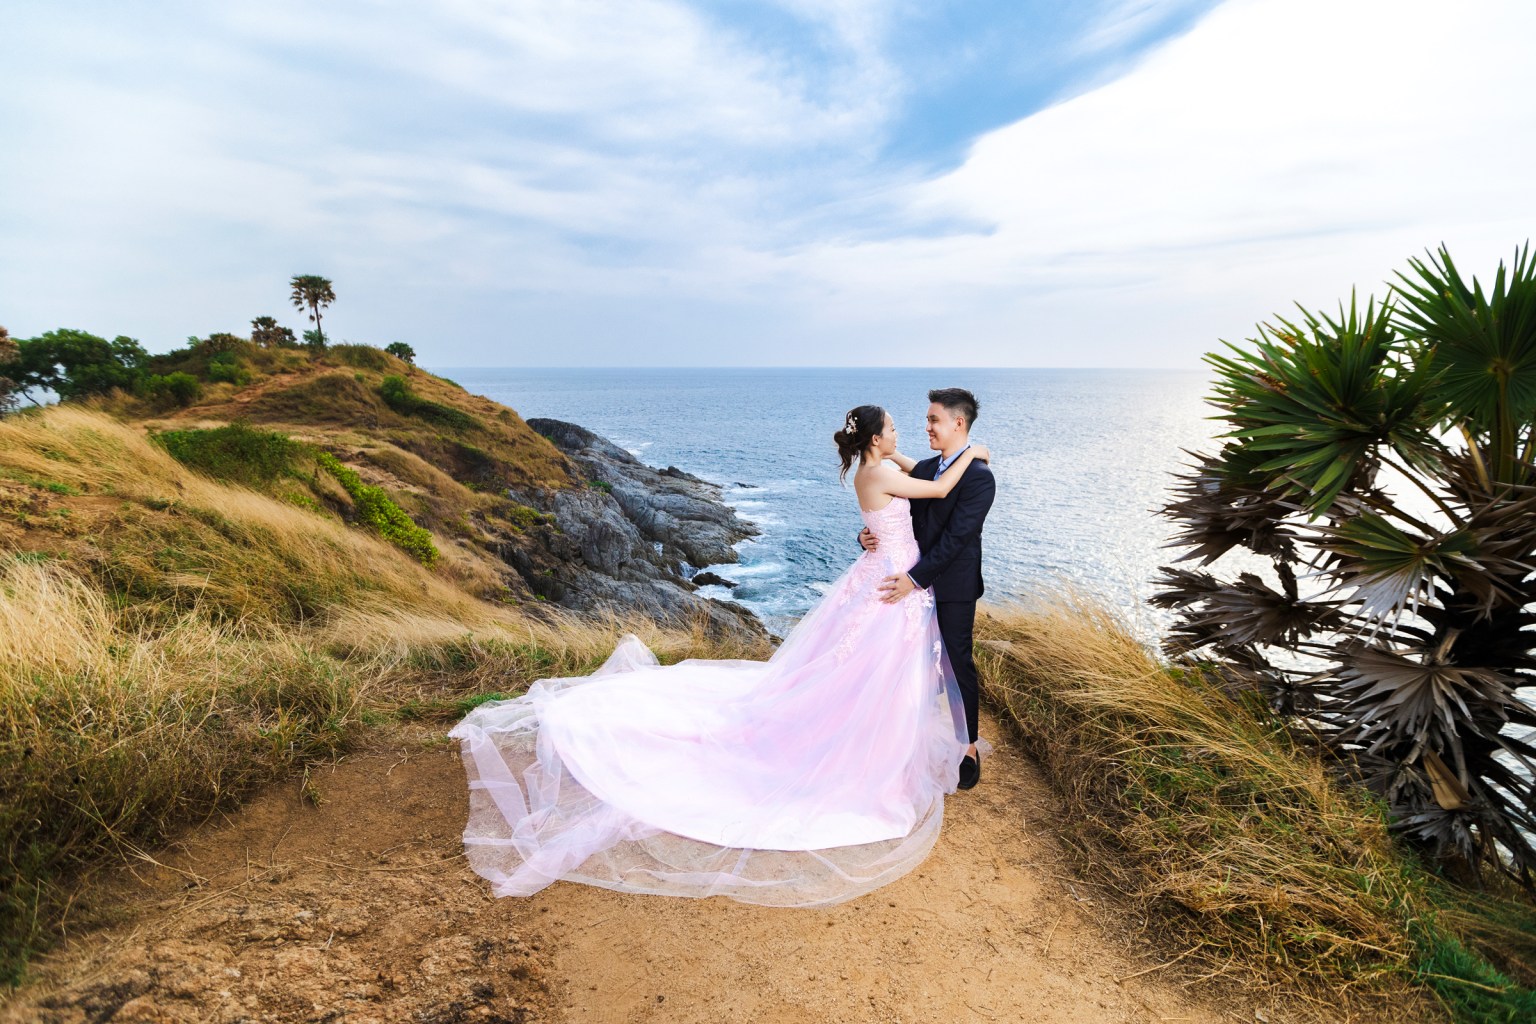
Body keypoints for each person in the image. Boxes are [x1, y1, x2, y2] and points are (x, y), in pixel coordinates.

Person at [448, 404, 990, 907]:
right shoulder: (884, 473)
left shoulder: (879, 466)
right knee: (866, 671)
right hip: (892, 586)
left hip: (888, 577)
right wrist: (974, 453)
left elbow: (905, 473)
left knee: (866, 670)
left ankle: (874, 734)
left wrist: (893, 458)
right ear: (875, 438)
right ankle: (860, 747)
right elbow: (941, 487)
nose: (904, 433)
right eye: (895, 427)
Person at [861, 387, 995, 790]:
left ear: (958, 422)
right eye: (927, 419)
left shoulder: (979, 478)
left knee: (957, 662)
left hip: (951, 585)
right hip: (910, 585)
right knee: (907, 661)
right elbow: (891, 512)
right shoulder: (927, 468)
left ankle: (967, 745)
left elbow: (956, 540)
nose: (927, 426)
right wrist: (867, 537)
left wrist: (914, 578)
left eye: (933, 419)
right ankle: (901, 739)